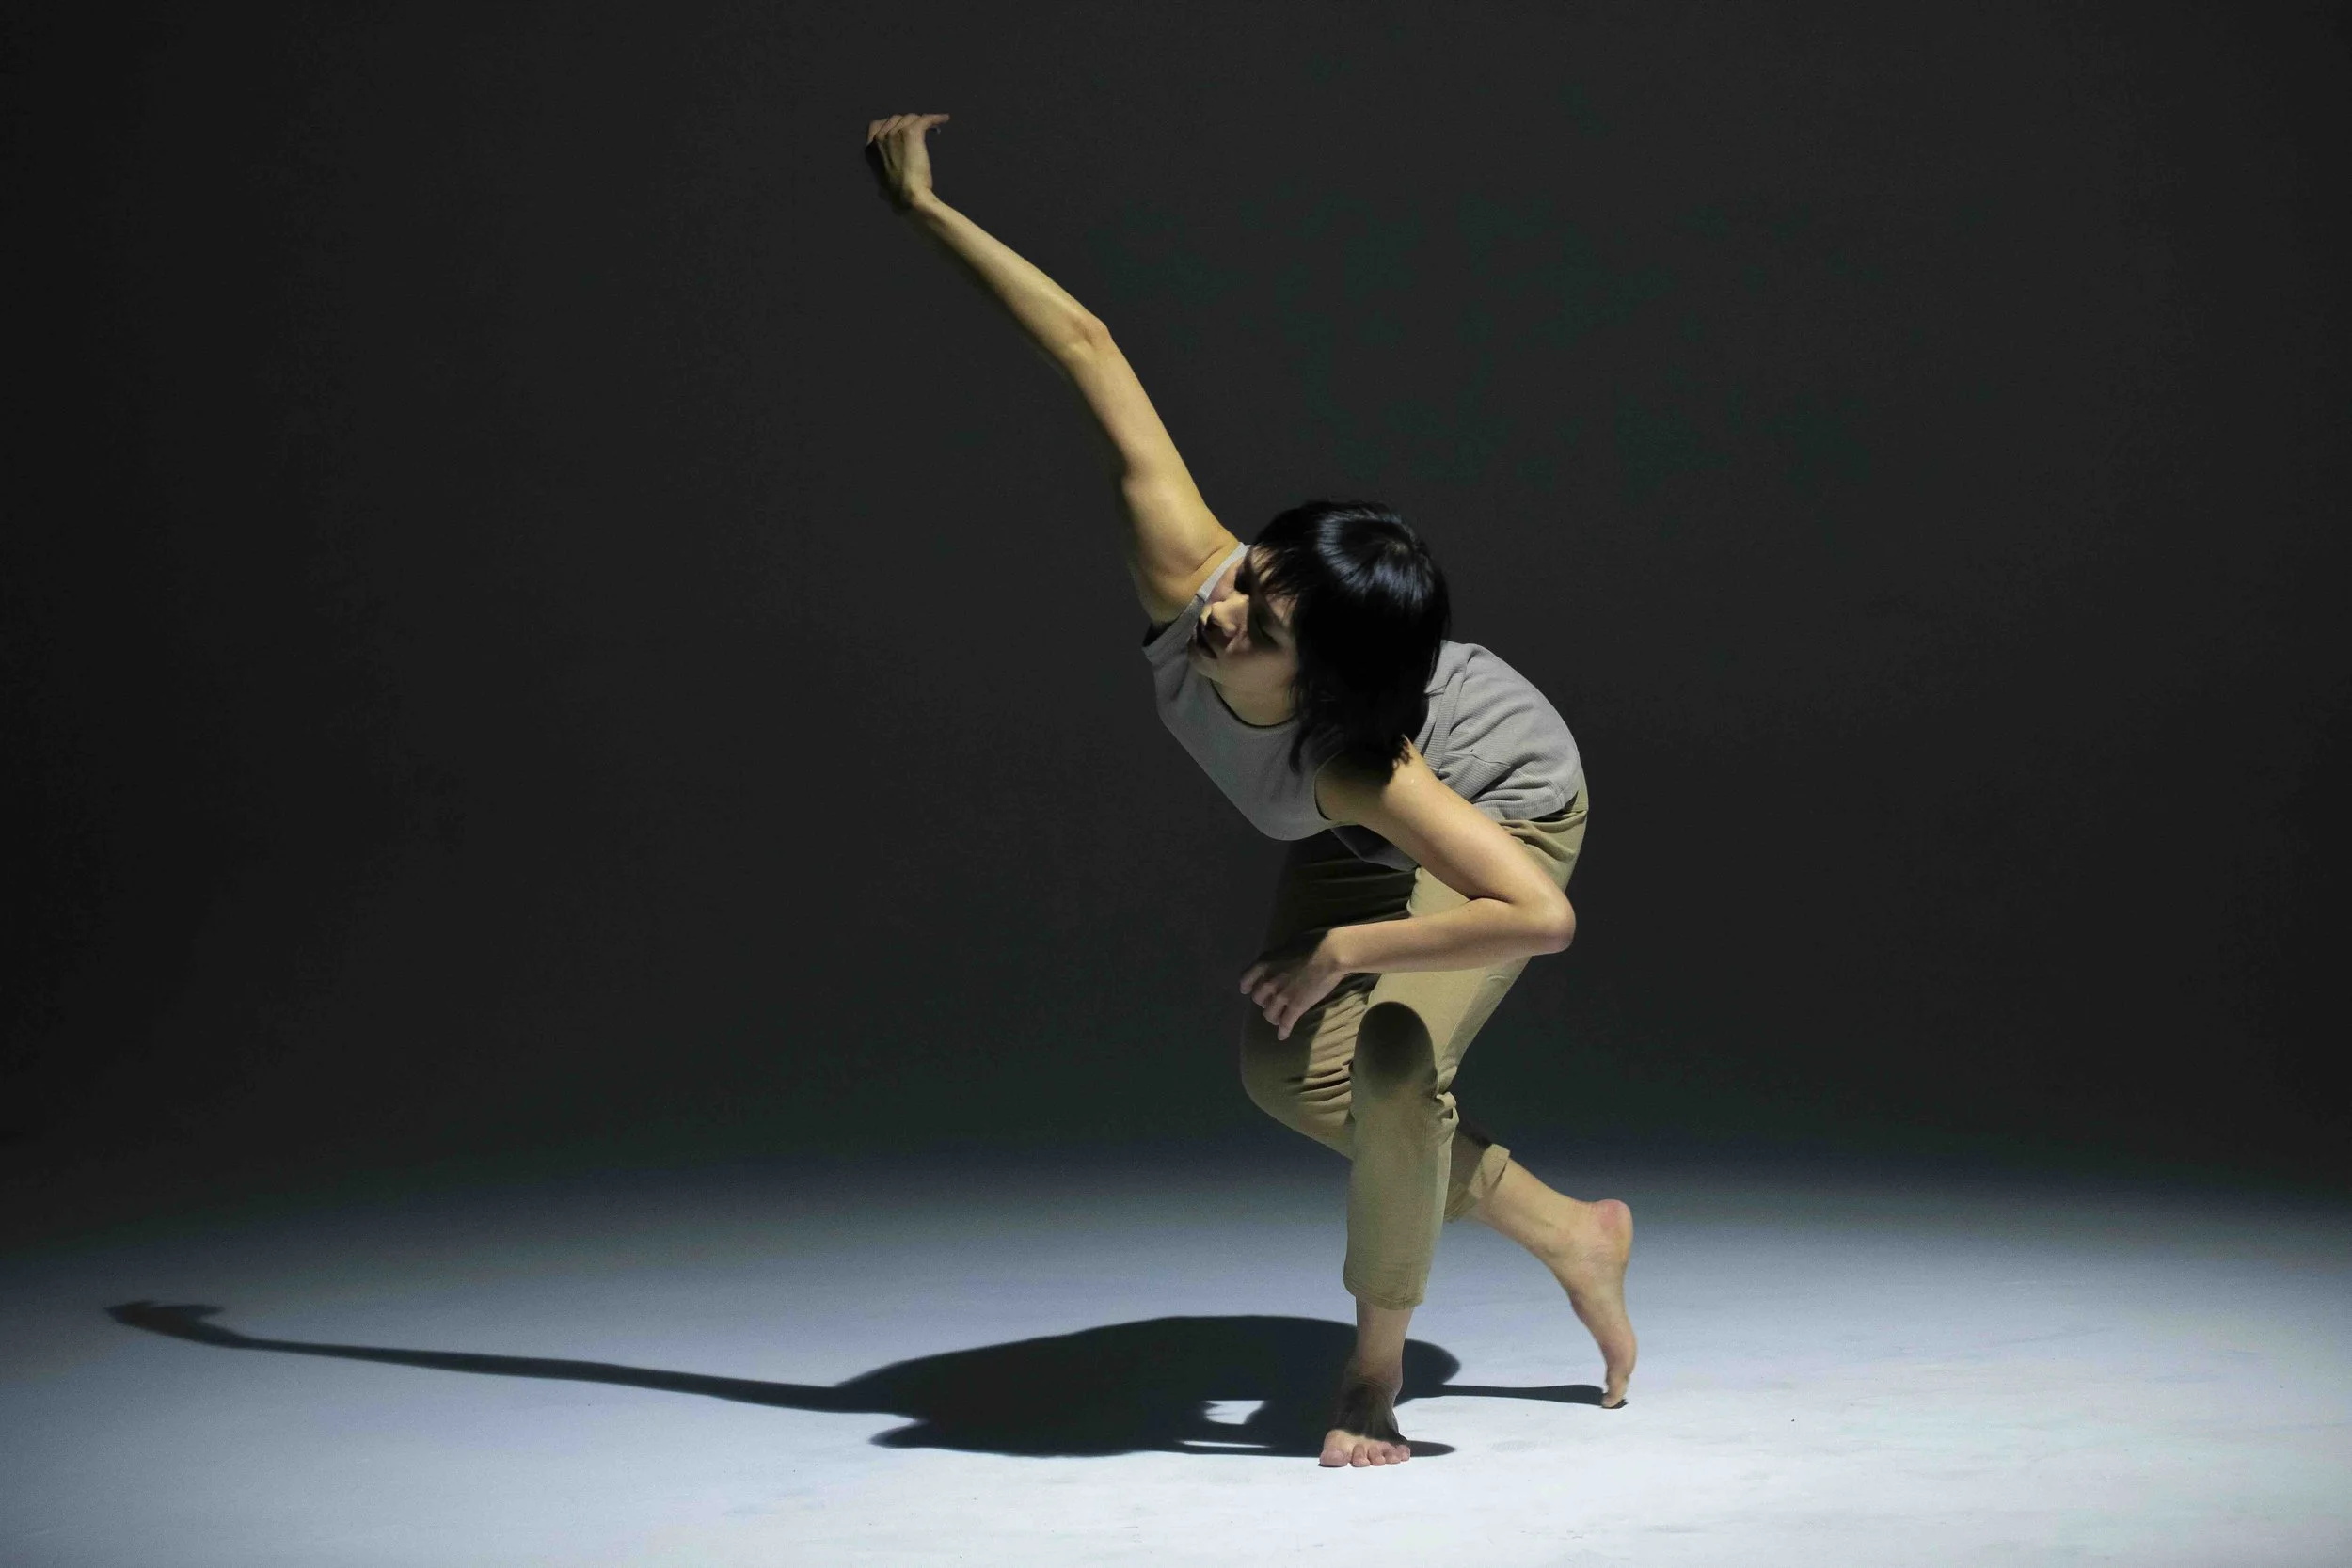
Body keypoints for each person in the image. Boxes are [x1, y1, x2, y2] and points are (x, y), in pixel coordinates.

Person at [863, 113, 1635, 1467]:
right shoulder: (1194, 575)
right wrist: (925, 209)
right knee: (1291, 1075)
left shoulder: (1357, 761)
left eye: (1267, 625)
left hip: (1499, 805)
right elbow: (1090, 347)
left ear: (1321, 684)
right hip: (1364, 810)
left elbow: (1537, 914)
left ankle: (1369, 1380)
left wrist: (1353, 941)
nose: (1229, 613)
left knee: (1393, 1061)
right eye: (1257, 573)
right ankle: (1574, 1228)